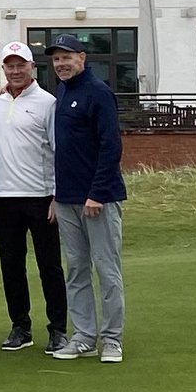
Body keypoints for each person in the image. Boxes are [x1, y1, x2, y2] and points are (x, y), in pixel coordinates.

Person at [45, 34, 127, 364]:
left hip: (98, 199)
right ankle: (83, 336)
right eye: (56, 59)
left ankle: (111, 339)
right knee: (76, 270)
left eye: (67, 58)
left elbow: (111, 147)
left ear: (82, 57)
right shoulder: (62, 92)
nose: (61, 64)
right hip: (66, 199)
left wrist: (96, 193)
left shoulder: (99, 93)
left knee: (106, 269)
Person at [0, 41, 68, 354]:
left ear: (32, 67)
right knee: (11, 266)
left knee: (50, 266)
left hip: (41, 197)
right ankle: (20, 326)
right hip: (5, 196)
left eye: (21, 64)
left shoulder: (48, 102)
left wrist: (56, 196)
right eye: (10, 65)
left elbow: (58, 151)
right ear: (4, 69)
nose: (15, 70)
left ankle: (58, 329)